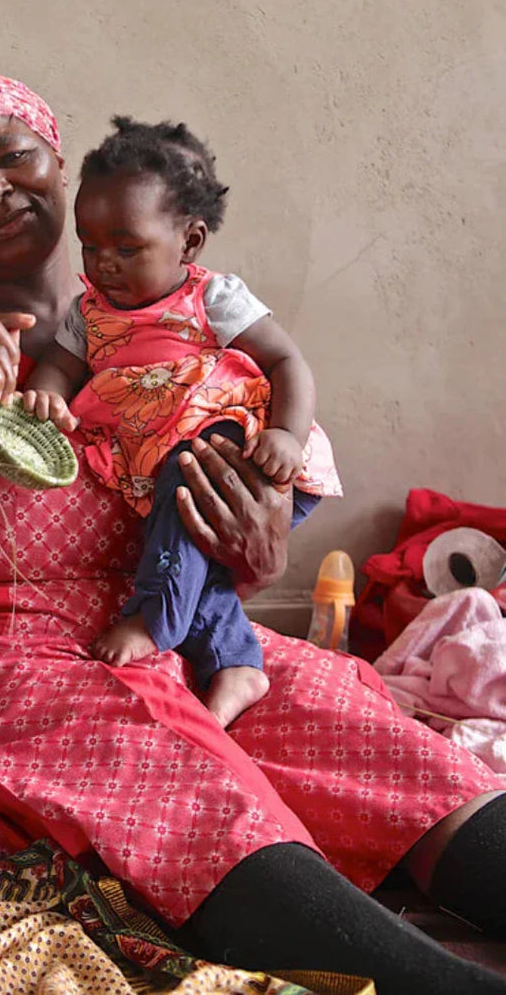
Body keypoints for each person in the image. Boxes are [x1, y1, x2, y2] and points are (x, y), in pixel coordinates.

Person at [0, 73, 506, 994]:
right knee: (165, 769)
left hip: (169, 626)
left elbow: (258, 494)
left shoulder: (180, 309)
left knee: (358, 730)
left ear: (59, 162)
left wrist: (255, 547)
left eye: (13, 156)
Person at [18, 115, 342, 729]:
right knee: (193, 550)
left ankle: (155, 617)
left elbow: (287, 361)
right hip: (166, 466)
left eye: (127, 246)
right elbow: (58, 367)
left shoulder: (211, 298)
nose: (103, 262)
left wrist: (286, 437)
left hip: (237, 450)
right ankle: (237, 663)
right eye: (89, 244)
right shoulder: (90, 313)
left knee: (187, 484)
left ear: (189, 243)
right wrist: (46, 399)